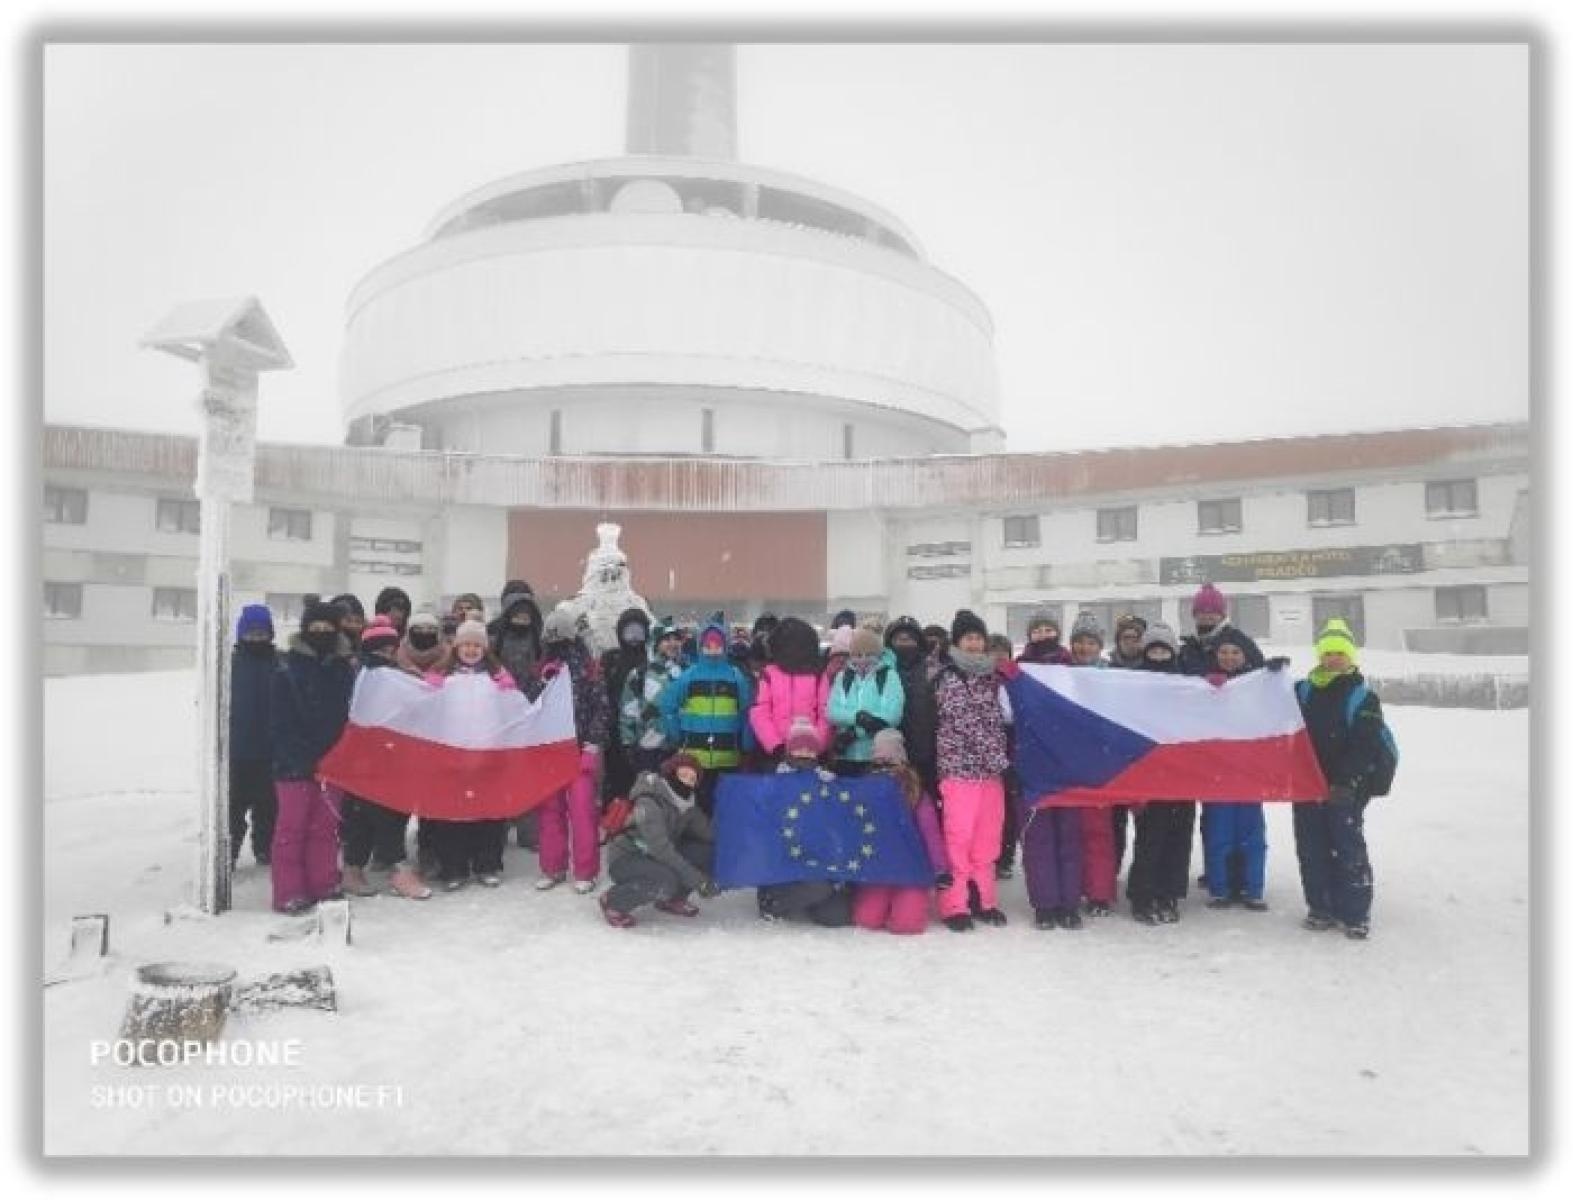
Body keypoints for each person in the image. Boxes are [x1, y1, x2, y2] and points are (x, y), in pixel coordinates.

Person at [1295, 620, 1388, 939]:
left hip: (1345, 787)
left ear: (1350, 656)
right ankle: (1320, 907)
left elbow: (1366, 744)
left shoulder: (1363, 697)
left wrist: (1346, 782)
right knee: (1312, 847)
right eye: (1328, 652)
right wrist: (1266, 673)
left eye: (1340, 653)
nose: (1333, 658)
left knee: (1347, 848)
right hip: (1307, 784)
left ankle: (1355, 913)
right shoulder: (1303, 689)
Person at [269, 600, 356, 914]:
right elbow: (279, 722)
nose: (321, 633)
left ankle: (324, 884)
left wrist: (338, 756)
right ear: (305, 631)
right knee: (291, 829)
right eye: (315, 628)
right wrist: (303, 758)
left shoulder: (345, 670)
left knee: (325, 829)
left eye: (327, 628)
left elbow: (351, 718)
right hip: (293, 767)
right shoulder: (287, 670)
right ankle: (289, 891)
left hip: (333, 766)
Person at [338, 617, 431, 900]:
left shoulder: (399, 677)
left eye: (390, 650)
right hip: (362, 759)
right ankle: (367, 868)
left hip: (392, 757)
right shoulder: (357, 675)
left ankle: (374, 866)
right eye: (379, 650)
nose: (384, 656)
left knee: (388, 812)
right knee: (365, 815)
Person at [931, 610, 1011, 931]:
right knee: (959, 838)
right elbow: (967, 725)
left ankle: (984, 899)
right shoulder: (949, 677)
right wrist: (1002, 762)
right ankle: (954, 905)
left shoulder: (992, 677)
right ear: (957, 642)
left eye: (979, 637)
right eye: (968, 638)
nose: (975, 643)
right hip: (960, 770)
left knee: (987, 839)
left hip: (989, 774)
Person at [424, 620, 519, 890]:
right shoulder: (440, 676)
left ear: (485, 648)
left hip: (488, 756)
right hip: (450, 756)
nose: (471, 649)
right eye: (466, 644)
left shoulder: (498, 676)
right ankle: (453, 867)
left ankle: (487, 864)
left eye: (477, 645)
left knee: (488, 814)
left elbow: (512, 709)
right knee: (452, 815)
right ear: (456, 646)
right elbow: (422, 707)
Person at [535, 607, 611, 893]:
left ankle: (586, 870)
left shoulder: (589, 668)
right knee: (550, 812)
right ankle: (552, 867)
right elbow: (531, 706)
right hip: (550, 752)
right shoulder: (542, 667)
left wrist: (592, 745)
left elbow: (601, 708)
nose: (558, 646)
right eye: (552, 640)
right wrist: (542, 683)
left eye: (561, 640)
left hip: (579, 751)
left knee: (581, 812)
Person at [1124, 623, 1195, 925]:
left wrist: (1219, 688)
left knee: (1178, 839)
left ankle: (1169, 893)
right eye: (1153, 648)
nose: (1158, 654)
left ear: (1172, 651)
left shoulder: (1189, 684)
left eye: (1164, 649)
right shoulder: (1133, 682)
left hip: (1183, 776)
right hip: (1149, 775)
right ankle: (1142, 895)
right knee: (1149, 839)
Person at [1201, 629, 1275, 912]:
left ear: (1244, 656)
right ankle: (1220, 888)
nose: (1228, 657)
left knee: (1252, 835)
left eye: (1235, 652)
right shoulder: (1204, 684)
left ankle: (1252, 888)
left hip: (1248, 772)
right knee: (1219, 834)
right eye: (1223, 652)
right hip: (1216, 774)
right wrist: (1207, 689)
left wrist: (1273, 675)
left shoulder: (1256, 683)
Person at [600, 753, 719, 928]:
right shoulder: (649, 802)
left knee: (706, 852)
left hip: (655, 857)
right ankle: (613, 900)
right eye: (683, 775)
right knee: (666, 881)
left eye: (692, 779)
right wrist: (699, 881)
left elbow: (710, 834)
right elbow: (661, 850)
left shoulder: (687, 805)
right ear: (671, 773)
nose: (686, 782)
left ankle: (672, 900)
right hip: (627, 857)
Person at [756, 721, 855, 927]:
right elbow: (763, 826)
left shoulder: (828, 782)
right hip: (785, 858)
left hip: (820, 856)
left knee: (837, 917)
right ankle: (773, 901)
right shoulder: (775, 782)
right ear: (790, 750)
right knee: (819, 888)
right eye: (799, 747)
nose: (805, 753)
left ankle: (809, 898)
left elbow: (840, 822)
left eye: (810, 749)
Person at [851, 729, 948, 935]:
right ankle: (884, 902)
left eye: (890, 763)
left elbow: (930, 833)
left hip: (911, 868)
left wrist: (939, 868)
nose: (884, 769)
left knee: (908, 925)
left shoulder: (915, 791)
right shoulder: (865, 788)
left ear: (901, 762)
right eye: (879, 763)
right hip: (879, 869)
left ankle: (908, 901)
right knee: (866, 920)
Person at [661, 620, 755, 818]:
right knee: (697, 810)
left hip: (727, 756)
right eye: (708, 646)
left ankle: (723, 845)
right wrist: (677, 736)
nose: (713, 650)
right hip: (695, 760)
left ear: (725, 646)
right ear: (701, 646)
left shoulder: (734, 676)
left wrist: (746, 745)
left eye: (717, 646)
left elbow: (747, 712)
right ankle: (700, 845)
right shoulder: (690, 676)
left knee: (725, 809)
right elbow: (668, 706)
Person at [1067, 612, 1120, 917]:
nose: (1084, 648)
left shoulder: (1112, 677)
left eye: (1090, 642)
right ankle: (1074, 887)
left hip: (1100, 766)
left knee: (1098, 834)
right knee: (1073, 834)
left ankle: (1099, 892)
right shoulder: (1060, 675)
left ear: (1100, 646)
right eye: (1079, 642)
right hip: (1069, 765)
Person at [229, 604, 278, 868]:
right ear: (241, 635)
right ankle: (229, 850)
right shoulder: (231, 666)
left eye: (262, 634)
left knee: (268, 806)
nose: (257, 639)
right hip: (238, 750)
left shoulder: (280, 663)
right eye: (251, 634)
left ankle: (265, 849)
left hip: (271, 750)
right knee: (233, 807)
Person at [749, 616, 832, 766]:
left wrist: (815, 745)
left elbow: (825, 712)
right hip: (775, 754)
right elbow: (760, 712)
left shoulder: (818, 674)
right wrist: (775, 746)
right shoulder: (769, 673)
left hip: (810, 754)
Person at [826, 627, 906, 777]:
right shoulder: (843, 677)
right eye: (857, 655)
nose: (863, 659)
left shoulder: (889, 676)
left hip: (878, 757)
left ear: (878, 654)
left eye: (869, 654)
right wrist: (859, 717)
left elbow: (892, 715)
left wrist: (855, 732)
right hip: (846, 755)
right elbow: (832, 712)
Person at [882, 617, 940, 800]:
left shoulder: (931, 669)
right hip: (889, 753)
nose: (904, 643)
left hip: (925, 752)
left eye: (909, 639)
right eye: (899, 639)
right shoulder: (882, 670)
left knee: (925, 805)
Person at [620, 619, 687, 776]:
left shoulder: (686, 672)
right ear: (656, 643)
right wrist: (628, 742)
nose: (672, 643)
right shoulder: (640, 673)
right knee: (649, 794)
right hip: (649, 747)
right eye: (666, 639)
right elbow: (629, 711)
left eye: (676, 639)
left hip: (679, 747)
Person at [601, 608, 653, 804]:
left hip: (643, 732)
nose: (633, 638)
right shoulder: (612, 660)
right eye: (628, 632)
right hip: (614, 734)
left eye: (638, 633)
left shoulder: (650, 661)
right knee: (616, 782)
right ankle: (615, 824)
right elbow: (601, 692)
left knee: (642, 782)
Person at [985, 634, 1020, 881]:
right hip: (986, 747)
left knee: (1009, 809)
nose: (998, 655)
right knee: (990, 810)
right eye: (993, 650)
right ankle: (989, 856)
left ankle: (1005, 857)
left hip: (1012, 746)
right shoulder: (981, 679)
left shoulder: (1016, 679)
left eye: (1002, 651)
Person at [1178, 583, 1265, 675]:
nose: (1207, 615)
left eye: (1213, 612)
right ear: (1194, 615)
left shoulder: (1239, 640)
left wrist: (1273, 670)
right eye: (1202, 611)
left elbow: (1258, 669)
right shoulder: (1187, 649)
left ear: (1222, 616)